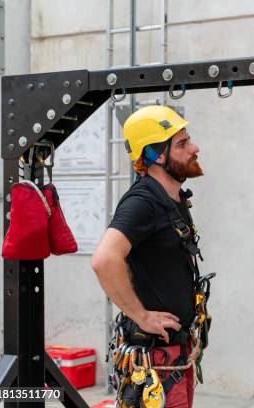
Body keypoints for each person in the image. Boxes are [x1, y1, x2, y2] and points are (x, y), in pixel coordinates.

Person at [92, 105, 210, 408]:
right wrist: (141, 316)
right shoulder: (142, 202)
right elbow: (105, 259)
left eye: (189, 140)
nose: (194, 148)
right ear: (156, 155)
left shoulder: (171, 198)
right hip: (155, 360)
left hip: (174, 354)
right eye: (182, 144)